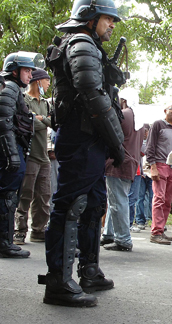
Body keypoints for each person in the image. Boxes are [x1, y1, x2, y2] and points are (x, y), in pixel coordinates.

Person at [39, 0, 126, 307]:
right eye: (108, 18)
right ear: (90, 17)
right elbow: (93, 96)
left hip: (89, 140)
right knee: (71, 206)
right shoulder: (80, 42)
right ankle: (59, 281)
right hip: (82, 139)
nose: (112, 24)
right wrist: (117, 144)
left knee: (93, 205)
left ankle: (88, 270)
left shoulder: (87, 44)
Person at [0, 51, 40, 258]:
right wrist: (12, 154)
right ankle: (4, 243)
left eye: (31, 70)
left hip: (14, 149)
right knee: (7, 197)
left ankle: (5, 241)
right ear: (14, 72)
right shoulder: (10, 89)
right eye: (26, 70)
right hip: (10, 151)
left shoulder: (14, 89)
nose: (30, 74)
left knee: (9, 196)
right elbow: (4, 123)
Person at [102, 89, 146, 252]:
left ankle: (123, 239)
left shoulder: (124, 114)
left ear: (124, 100)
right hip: (131, 163)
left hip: (118, 162)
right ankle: (109, 234)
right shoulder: (139, 119)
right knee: (117, 199)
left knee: (117, 201)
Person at [13, 68, 51, 245]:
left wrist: (40, 118)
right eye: (46, 80)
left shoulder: (46, 102)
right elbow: (28, 123)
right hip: (30, 155)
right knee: (25, 194)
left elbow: (53, 121)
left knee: (44, 196)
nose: (48, 84)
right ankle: (19, 230)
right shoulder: (24, 100)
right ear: (38, 81)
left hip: (44, 156)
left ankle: (38, 229)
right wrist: (42, 120)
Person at [147, 104, 172, 245]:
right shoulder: (158, 124)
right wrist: (152, 166)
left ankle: (161, 229)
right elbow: (150, 145)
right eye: (171, 109)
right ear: (165, 110)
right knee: (159, 198)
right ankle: (156, 232)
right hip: (160, 164)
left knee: (167, 201)